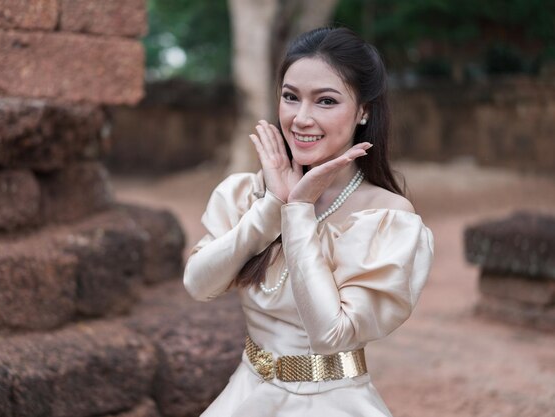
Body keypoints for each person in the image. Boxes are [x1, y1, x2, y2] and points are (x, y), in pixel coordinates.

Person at [183, 26, 434, 417]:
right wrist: (271, 206)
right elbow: (198, 284)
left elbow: (331, 334)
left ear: (364, 110)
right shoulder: (243, 193)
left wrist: (298, 212)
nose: (301, 118)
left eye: (326, 101)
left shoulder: (387, 218)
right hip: (246, 394)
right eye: (290, 97)